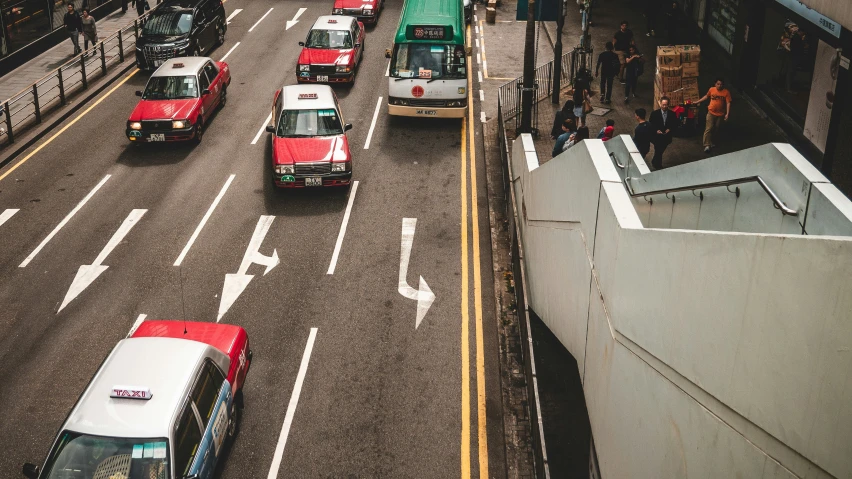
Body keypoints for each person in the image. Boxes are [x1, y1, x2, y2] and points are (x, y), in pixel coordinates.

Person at [696, 77, 732, 153]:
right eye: (718, 84)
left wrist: (727, 114)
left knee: (716, 128)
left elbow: (728, 103)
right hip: (711, 112)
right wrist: (697, 101)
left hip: (720, 114)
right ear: (715, 84)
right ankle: (706, 145)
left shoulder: (726, 92)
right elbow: (706, 96)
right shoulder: (712, 89)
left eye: (721, 84)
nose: (719, 86)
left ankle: (711, 141)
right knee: (708, 128)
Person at [649, 96, 678, 169]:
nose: (664, 106)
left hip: (666, 137)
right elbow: (651, 124)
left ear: (668, 104)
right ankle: (658, 165)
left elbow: (675, 124)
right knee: (658, 150)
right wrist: (656, 130)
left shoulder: (672, 114)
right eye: (663, 105)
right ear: (660, 104)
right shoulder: (655, 114)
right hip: (657, 137)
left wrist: (669, 129)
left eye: (666, 105)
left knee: (660, 150)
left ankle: (654, 161)